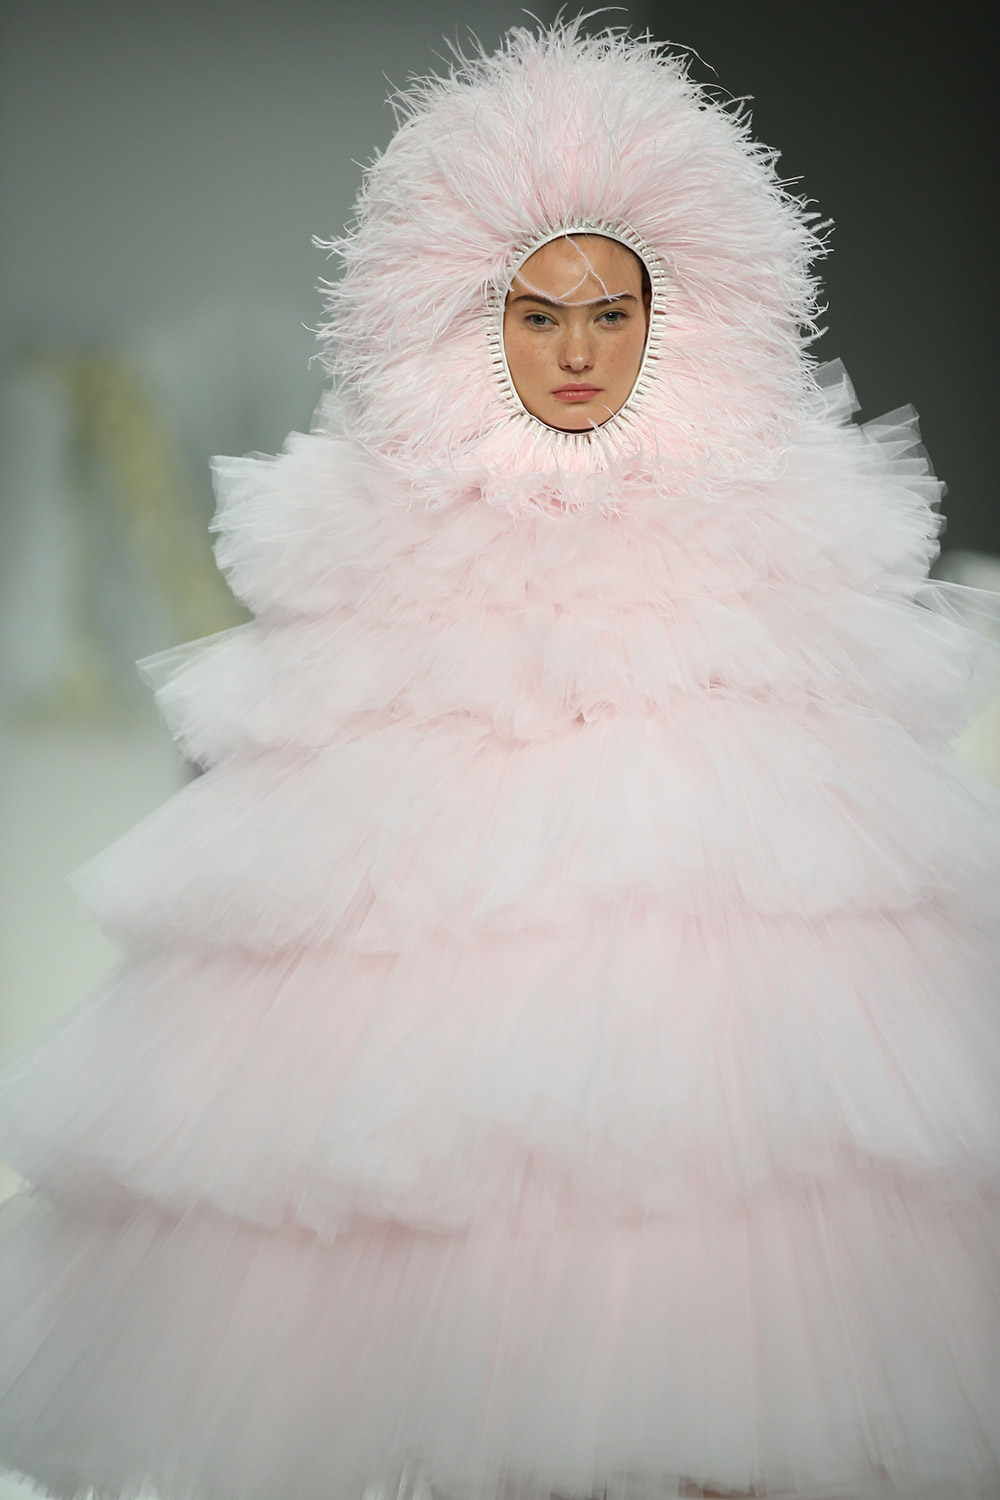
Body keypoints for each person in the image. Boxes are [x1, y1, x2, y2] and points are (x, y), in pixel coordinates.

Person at [1, 19, 999, 1500]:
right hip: (434, 1021)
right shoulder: (381, 527)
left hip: (708, 1020)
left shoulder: (767, 529)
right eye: (539, 315)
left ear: (672, 313)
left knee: (719, 1339)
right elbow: (308, 792)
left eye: (612, 312)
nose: (579, 353)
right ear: (477, 317)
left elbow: (820, 800)